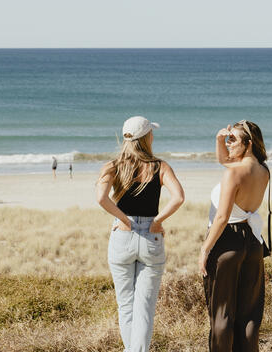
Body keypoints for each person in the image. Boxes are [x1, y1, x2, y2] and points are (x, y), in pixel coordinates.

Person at [96, 116, 185, 352]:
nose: (153, 136)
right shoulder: (159, 166)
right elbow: (178, 198)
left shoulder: (112, 166)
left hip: (122, 236)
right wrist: (157, 221)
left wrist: (123, 219)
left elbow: (101, 198)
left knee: (126, 306)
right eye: (151, 133)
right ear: (146, 138)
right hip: (151, 237)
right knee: (144, 307)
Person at [201, 120, 271, 351]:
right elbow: (225, 160)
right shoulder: (263, 170)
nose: (229, 144)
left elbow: (222, 218)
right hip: (253, 242)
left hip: (227, 240)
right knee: (249, 314)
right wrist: (219, 140)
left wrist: (205, 249)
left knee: (222, 314)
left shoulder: (233, 174)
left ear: (248, 144)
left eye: (233, 140)